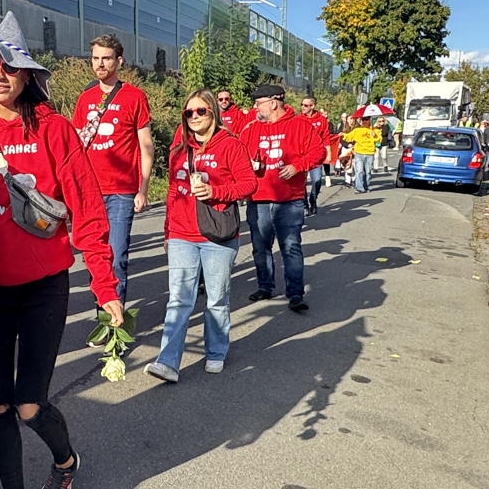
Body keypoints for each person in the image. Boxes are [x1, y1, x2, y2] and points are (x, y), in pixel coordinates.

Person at [0, 12, 122, 489]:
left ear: (26, 76)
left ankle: (66, 463)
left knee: (30, 406)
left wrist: (107, 289)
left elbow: (89, 213)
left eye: (10, 67)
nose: (0, 76)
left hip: (46, 286)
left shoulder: (54, 130)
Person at [144, 90, 256, 383]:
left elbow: (249, 183)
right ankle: (167, 362)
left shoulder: (230, 144)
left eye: (201, 111)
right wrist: (167, 231)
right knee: (179, 299)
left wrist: (216, 192)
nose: (194, 116)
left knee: (216, 299)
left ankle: (217, 351)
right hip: (182, 233)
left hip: (218, 234)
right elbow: (171, 190)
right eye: (189, 112)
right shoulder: (179, 148)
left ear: (213, 113)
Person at [70, 34, 154, 304]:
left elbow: (146, 145)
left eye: (106, 58)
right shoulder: (85, 98)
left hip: (121, 192)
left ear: (119, 61)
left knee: (117, 258)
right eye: (95, 58)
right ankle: (103, 315)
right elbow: (76, 144)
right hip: (89, 192)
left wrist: (143, 188)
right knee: (95, 259)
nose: (100, 64)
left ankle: (114, 322)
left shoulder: (134, 96)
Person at [240, 83, 325, 311]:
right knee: (260, 247)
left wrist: (297, 166)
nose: (255, 107)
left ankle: (295, 294)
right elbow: (238, 156)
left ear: (273, 103)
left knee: (290, 246)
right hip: (257, 198)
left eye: (259, 103)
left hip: (289, 199)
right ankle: (265, 286)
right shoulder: (251, 129)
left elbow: (319, 152)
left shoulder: (300, 126)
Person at [298, 96, 331, 215]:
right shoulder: (298, 119)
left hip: (316, 154)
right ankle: (305, 204)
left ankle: (313, 198)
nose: (303, 107)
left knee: (317, 180)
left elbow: (326, 137)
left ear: (312, 106)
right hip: (301, 155)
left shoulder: (321, 119)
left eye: (306, 105)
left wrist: (328, 153)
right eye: (302, 104)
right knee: (301, 182)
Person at [341, 116, 381, 193]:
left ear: (370, 120)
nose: (364, 121)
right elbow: (349, 137)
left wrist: (375, 135)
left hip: (370, 153)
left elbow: (379, 140)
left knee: (368, 171)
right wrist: (342, 135)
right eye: (363, 119)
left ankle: (366, 186)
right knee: (359, 170)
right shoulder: (357, 130)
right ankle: (359, 188)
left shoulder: (375, 130)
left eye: (366, 119)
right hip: (359, 152)